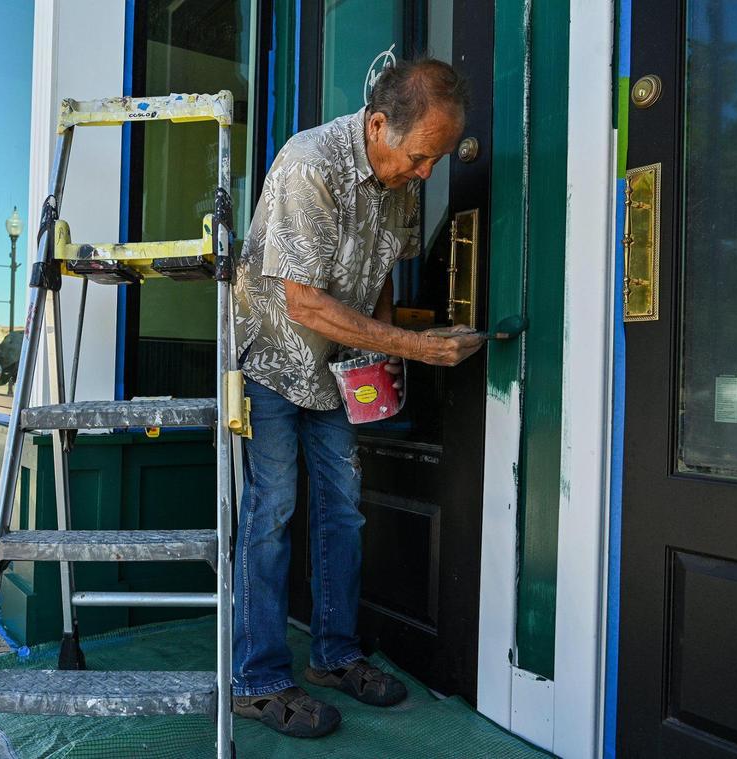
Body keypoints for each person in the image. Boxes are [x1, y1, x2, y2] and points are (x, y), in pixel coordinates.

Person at [230, 58, 484, 738]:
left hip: (336, 369)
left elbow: (377, 278)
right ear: (378, 124)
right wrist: (414, 350)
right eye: (422, 155)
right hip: (272, 363)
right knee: (272, 509)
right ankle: (257, 681)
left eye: (433, 158)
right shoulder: (309, 164)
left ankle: (335, 655)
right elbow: (304, 301)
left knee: (343, 511)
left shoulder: (398, 175)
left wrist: (378, 352)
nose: (427, 172)